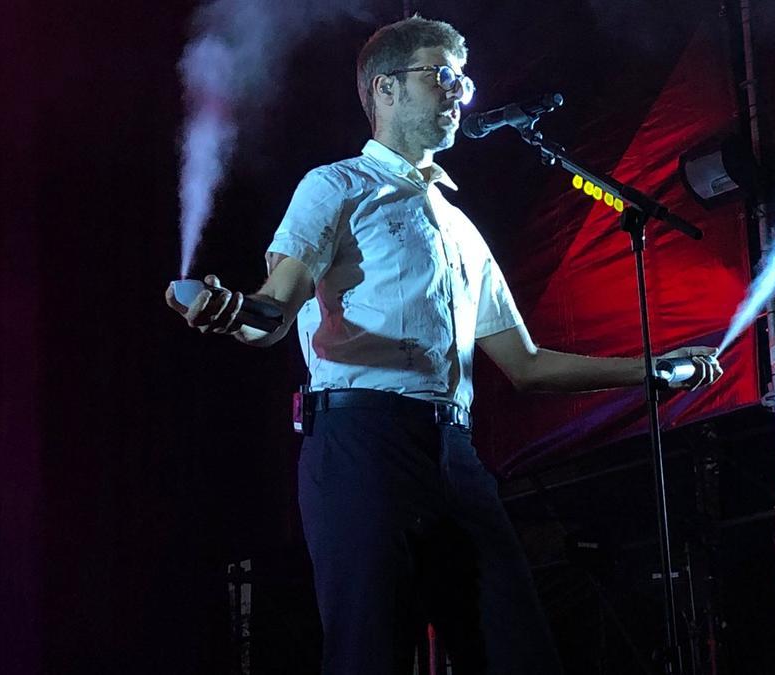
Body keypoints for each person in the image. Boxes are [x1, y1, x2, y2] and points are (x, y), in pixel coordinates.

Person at [166, 15, 722, 675]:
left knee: (519, 654)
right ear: (387, 89)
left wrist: (650, 370)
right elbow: (274, 309)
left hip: (453, 455)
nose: (462, 89)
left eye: (464, 76)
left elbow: (526, 364)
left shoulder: (461, 229)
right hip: (360, 447)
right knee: (369, 656)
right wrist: (229, 310)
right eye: (443, 75)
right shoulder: (335, 188)